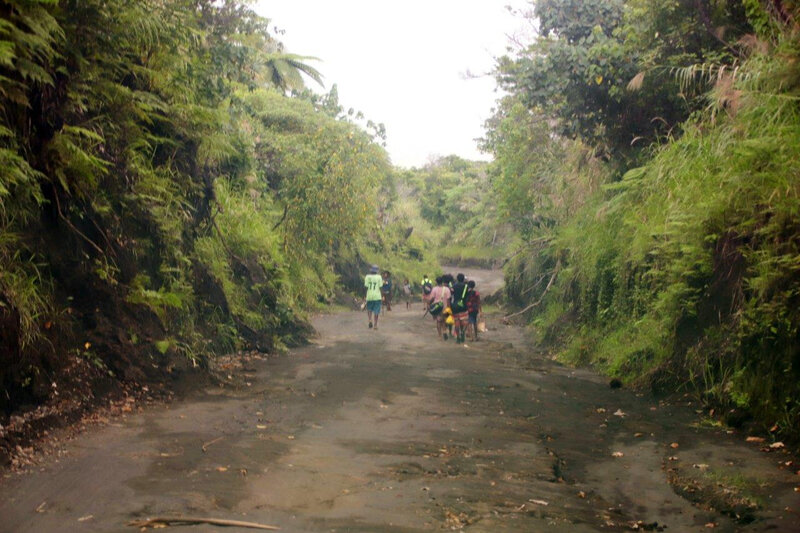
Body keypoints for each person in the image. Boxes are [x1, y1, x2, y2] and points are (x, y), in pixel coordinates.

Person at [450, 273, 469, 343]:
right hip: (463, 306)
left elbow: (451, 296)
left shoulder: (453, 286)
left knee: (457, 322)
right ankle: (463, 333)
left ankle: (458, 337)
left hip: (455, 306)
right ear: (463, 279)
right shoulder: (466, 286)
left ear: (457, 279)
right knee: (463, 322)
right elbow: (468, 296)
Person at [364, 264, 383, 329]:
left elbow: (366, 287)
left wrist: (365, 296)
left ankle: (369, 320)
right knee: (376, 311)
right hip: (377, 296)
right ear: (377, 271)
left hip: (369, 295)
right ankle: (375, 325)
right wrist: (382, 296)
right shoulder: (379, 277)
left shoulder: (367, 276)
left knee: (369, 309)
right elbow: (380, 287)